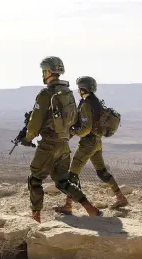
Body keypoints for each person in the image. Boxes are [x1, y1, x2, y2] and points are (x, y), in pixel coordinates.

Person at [19, 56, 102, 222]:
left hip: (48, 144)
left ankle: (36, 217)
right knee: (63, 181)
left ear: (49, 72)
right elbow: (74, 118)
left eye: (44, 71)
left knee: (35, 179)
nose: (43, 74)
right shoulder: (68, 93)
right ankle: (90, 208)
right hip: (64, 142)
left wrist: (28, 137)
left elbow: (35, 122)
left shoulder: (46, 94)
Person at [53, 76, 129, 215]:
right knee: (102, 172)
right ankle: (120, 196)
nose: (78, 90)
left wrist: (72, 130)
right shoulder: (95, 101)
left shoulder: (86, 104)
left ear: (83, 89)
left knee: (72, 175)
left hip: (88, 143)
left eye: (79, 88)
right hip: (97, 142)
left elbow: (86, 129)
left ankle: (68, 205)